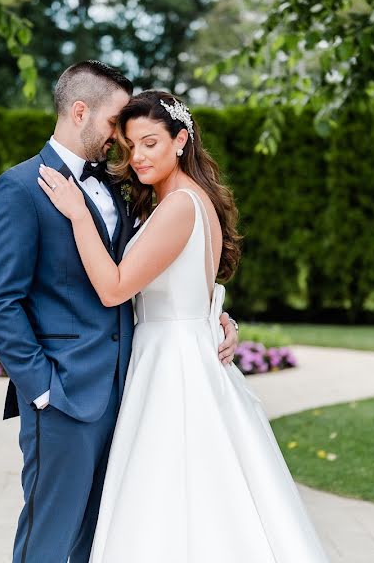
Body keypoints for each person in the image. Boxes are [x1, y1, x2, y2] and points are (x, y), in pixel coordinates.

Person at [38, 89, 330, 562]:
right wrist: (218, 314)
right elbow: (195, 288)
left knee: (170, 491)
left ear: (180, 140)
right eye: (130, 146)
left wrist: (77, 214)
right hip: (178, 349)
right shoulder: (179, 202)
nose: (138, 158)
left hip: (173, 366)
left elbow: (114, 289)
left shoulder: (179, 207)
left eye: (151, 143)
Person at [0, 62, 239, 563]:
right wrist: (41, 390)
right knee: (48, 540)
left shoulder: (122, 188)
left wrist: (215, 314)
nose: (122, 139)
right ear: (81, 111)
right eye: (115, 122)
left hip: (131, 392)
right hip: (63, 399)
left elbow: (160, 271)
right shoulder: (20, 188)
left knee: (102, 541)